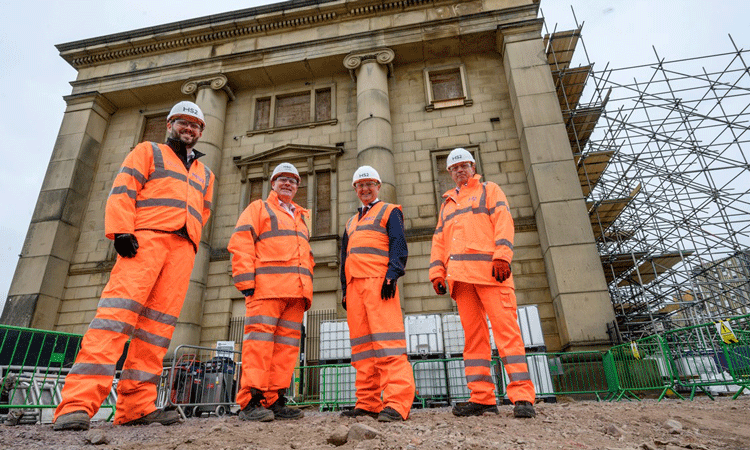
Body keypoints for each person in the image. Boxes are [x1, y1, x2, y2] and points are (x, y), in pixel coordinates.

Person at [53, 101, 215, 430]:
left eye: (195, 125)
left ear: (200, 132)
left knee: (156, 331)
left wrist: (191, 241)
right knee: (115, 320)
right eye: (183, 122)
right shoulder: (148, 151)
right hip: (145, 243)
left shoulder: (205, 173)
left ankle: (137, 406)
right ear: (170, 124)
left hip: (182, 250)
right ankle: (76, 405)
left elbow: (203, 211)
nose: (189, 128)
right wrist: (122, 230)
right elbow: (123, 189)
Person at [429, 148, 536, 418]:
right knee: (474, 340)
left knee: (506, 334)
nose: (460, 170)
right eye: (455, 168)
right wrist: (437, 272)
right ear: (450, 173)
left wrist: (502, 256)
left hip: (491, 275)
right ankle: (482, 397)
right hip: (462, 281)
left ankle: (522, 397)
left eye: (464, 165)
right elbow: (439, 241)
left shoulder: (490, 190)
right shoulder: (447, 203)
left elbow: (503, 222)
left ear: (473, 166)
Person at [228, 162, 314, 422]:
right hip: (266, 290)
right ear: (272, 184)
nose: (287, 183)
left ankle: (273, 399)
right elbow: (241, 242)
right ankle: (249, 401)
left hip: (295, 293)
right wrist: (245, 281)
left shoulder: (300, 217)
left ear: (298, 187)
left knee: (286, 349)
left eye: (292, 180)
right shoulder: (259, 208)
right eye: (281, 179)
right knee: (259, 346)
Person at [339, 166, 415, 422]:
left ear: (378, 186)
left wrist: (393, 274)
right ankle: (368, 402)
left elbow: (398, 244)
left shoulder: (389, 211)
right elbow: (344, 259)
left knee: (388, 345)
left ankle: (397, 403)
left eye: (369, 184)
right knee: (362, 350)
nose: (365, 189)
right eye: (360, 185)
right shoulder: (350, 222)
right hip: (354, 288)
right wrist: (344, 291)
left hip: (378, 284)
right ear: (355, 190)